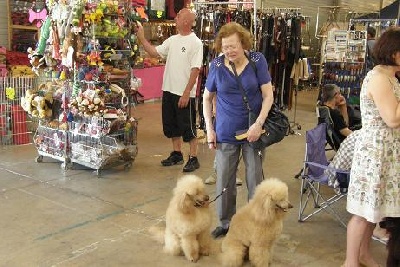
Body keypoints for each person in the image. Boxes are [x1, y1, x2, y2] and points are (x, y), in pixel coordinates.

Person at [202, 22, 274, 239]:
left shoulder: (257, 60)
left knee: (254, 180)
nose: (229, 51)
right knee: (224, 181)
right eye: (225, 47)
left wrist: (259, 124)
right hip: (225, 131)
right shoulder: (216, 65)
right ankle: (226, 224)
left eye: (233, 46)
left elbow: (268, 95)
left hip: (254, 130)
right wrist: (209, 129)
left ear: (243, 43)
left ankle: (256, 225)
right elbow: (207, 98)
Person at [342, 27, 400, 267]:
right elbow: (393, 118)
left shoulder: (390, 76)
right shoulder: (378, 78)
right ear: (394, 52)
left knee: (372, 211)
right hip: (376, 153)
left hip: (385, 152)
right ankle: (350, 262)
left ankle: (364, 255)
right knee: (363, 212)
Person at [135, 8, 203, 172]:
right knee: (171, 125)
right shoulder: (172, 40)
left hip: (184, 93)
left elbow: (195, 70)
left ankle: (193, 158)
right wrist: (142, 38)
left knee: (188, 127)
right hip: (169, 90)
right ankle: (177, 153)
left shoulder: (196, 43)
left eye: (179, 15)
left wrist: (187, 93)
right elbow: (154, 52)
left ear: (186, 21)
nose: (176, 17)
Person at [319, 84, 353, 149]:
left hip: (334, 141)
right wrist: (361, 137)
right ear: (336, 95)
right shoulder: (334, 113)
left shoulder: (324, 110)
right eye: (340, 94)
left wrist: (343, 107)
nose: (341, 96)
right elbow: (345, 131)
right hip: (344, 145)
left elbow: (345, 124)